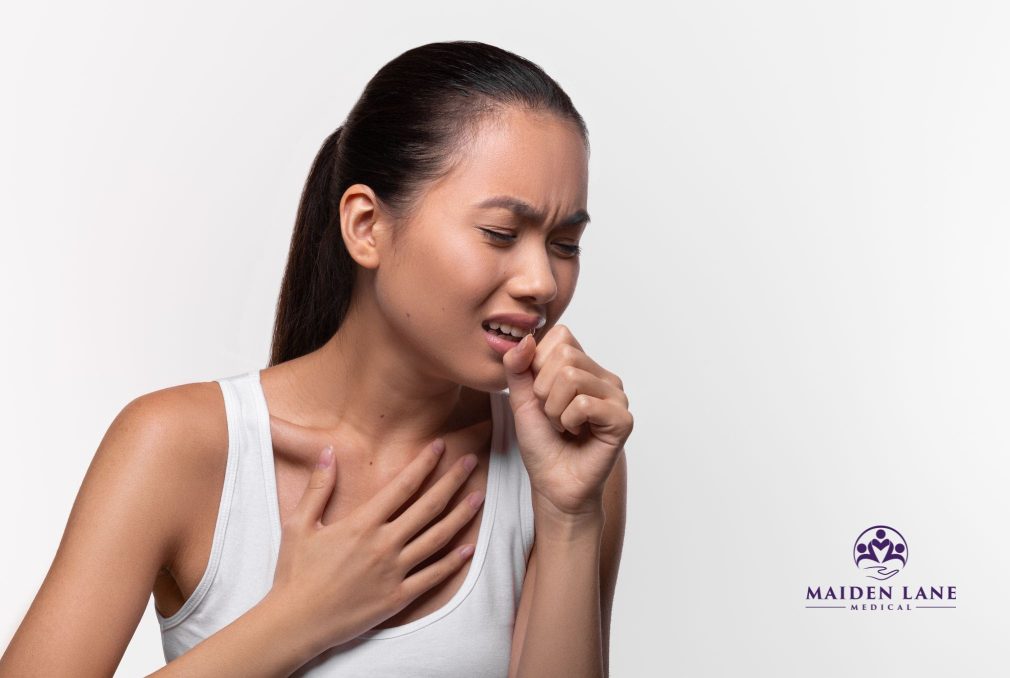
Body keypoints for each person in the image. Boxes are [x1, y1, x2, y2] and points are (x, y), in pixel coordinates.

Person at [0, 40, 631, 677]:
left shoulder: (563, 463)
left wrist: (570, 515)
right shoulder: (177, 447)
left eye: (564, 244)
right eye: (500, 233)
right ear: (366, 226)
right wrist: (299, 617)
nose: (542, 282)